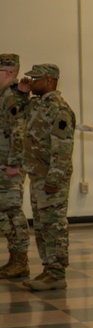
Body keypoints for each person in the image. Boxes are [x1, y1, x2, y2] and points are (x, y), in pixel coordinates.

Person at [19, 64, 76, 291]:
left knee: (54, 226)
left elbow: (62, 149)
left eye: (37, 79)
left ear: (50, 81)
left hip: (51, 178)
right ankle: (48, 269)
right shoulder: (37, 105)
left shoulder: (59, 109)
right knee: (42, 226)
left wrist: (54, 180)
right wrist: (22, 94)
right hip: (37, 176)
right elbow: (19, 117)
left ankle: (57, 272)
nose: (32, 82)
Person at [0, 54, 29, 280]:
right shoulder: (5, 96)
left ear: (9, 73)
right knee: (6, 212)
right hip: (3, 164)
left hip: (9, 167)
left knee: (12, 212)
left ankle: (20, 260)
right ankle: (15, 258)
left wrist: (15, 164)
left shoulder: (11, 97)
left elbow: (19, 131)